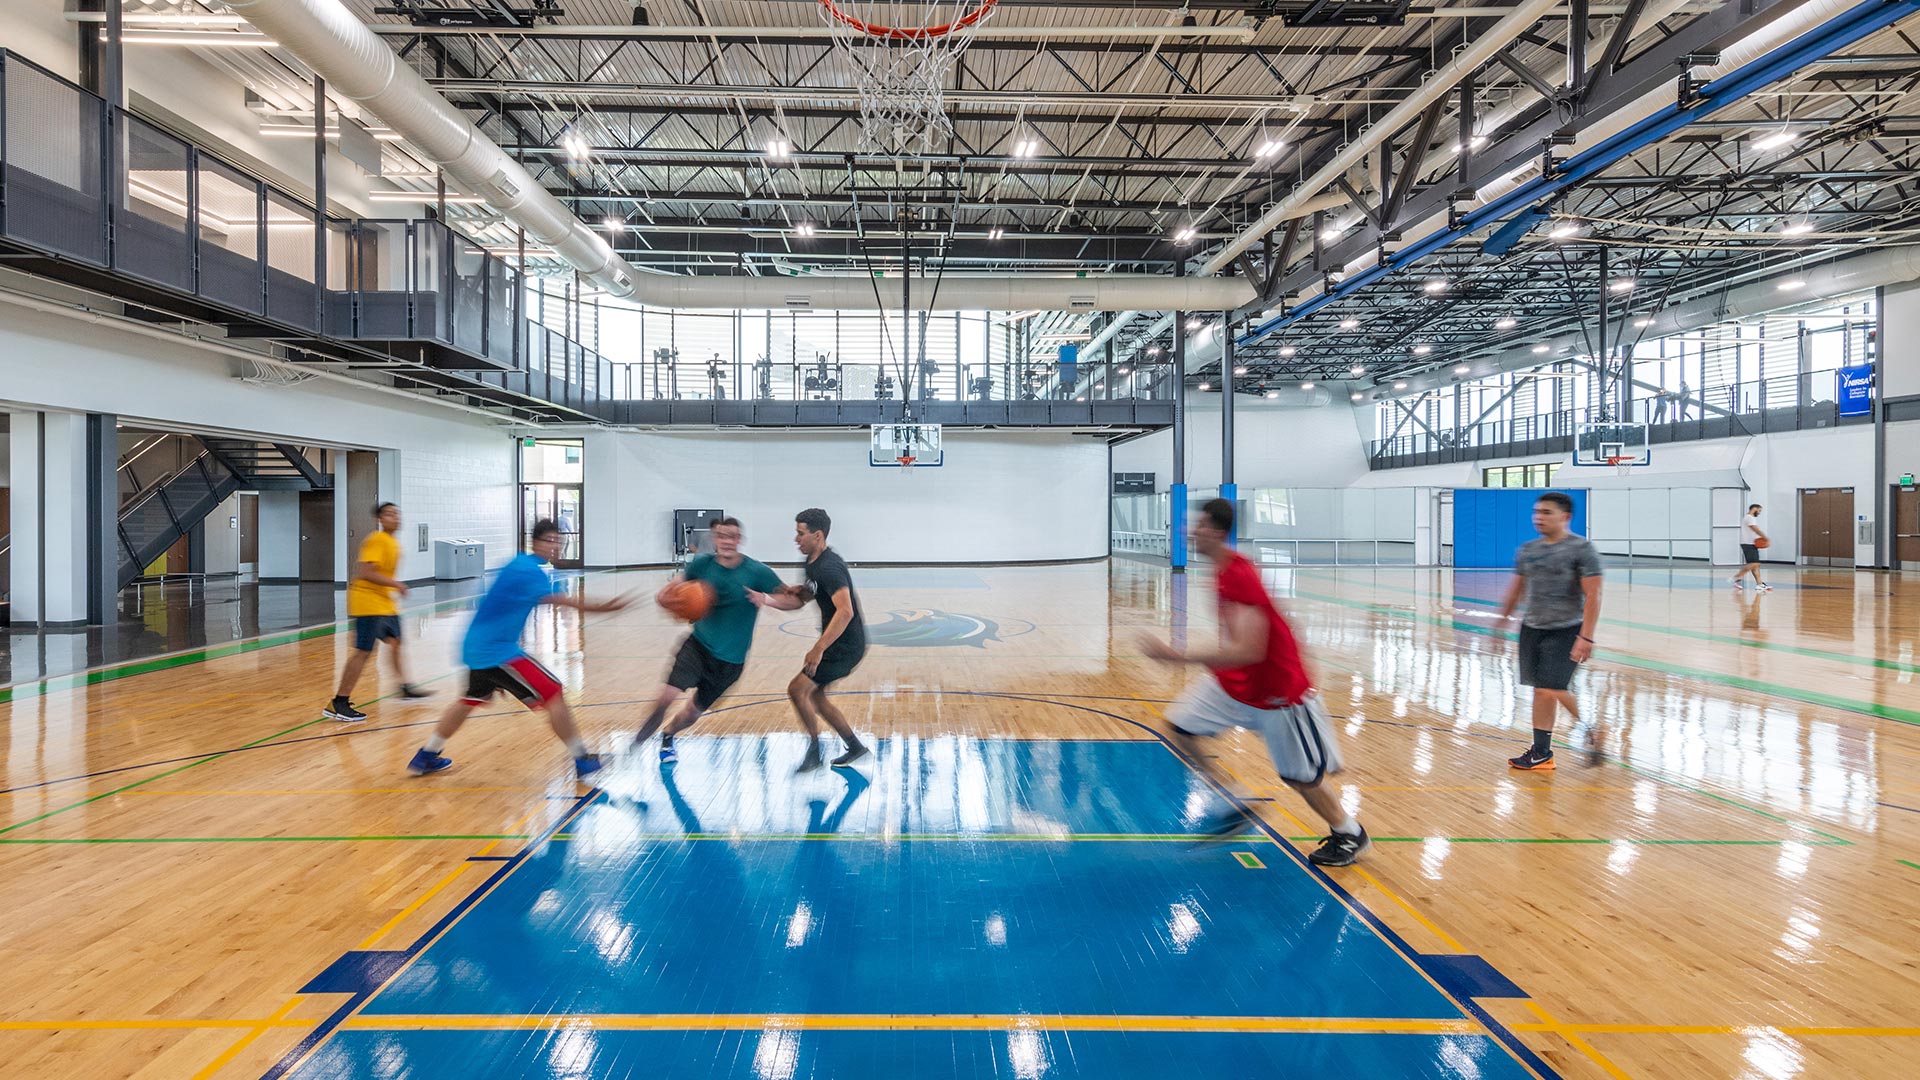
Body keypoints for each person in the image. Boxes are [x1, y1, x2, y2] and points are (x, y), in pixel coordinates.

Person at [1139, 498, 1369, 867]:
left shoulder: (1240, 574)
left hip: (1277, 691)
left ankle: (1349, 832)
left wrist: (1176, 656)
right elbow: (1274, 621)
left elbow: (1250, 650)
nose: (1192, 531)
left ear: (1217, 532)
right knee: (1181, 727)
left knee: (1301, 780)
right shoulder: (1222, 571)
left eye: (1200, 525)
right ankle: (1232, 803)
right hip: (1237, 683)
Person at [405, 518, 629, 779]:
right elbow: (562, 601)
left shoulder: (517, 564)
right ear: (535, 542)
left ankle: (427, 755)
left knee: (470, 700)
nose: (555, 546)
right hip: (496, 652)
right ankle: (582, 759)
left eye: (559, 541)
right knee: (553, 692)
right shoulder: (528, 571)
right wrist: (604, 607)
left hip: (478, 648)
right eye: (550, 541)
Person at [633, 517, 784, 763]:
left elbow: (792, 599)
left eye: (732, 536)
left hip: (730, 662)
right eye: (722, 536)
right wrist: (666, 597)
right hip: (698, 646)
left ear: (739, 540)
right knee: (666, 697)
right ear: (715, 538)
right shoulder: (701, 564)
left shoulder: (756, 572)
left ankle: (668, 734)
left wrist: (767, 599)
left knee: (691, 714)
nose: (727, 541)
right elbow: (671, 590)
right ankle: (633, 748)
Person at [749, 508, 870, 771]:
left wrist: (818, 648)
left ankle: (815, 753)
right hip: (838, 642)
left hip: (844, 645)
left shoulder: (829, 567)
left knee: (798, 690)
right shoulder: (813, 562)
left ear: (818, 535)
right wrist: (772, 598)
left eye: (800, 533)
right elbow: (804, 598)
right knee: (815, 696)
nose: (796, 539)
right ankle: (855, 747)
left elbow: (845, 611)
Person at [1498, 492, 1604, 771]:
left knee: (1551, 686)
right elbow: (1517, 589)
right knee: (1541, 691)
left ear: (1565, 516)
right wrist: (1501, 623)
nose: (1539, 517)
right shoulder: (1528, 550)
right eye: (1537, 512)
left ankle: (1588, 728)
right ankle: (1542, 753)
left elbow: (1594, 595)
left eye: (1546, 512)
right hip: (1532, 629)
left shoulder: (1582, 549)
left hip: (1567, 630)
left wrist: (1586, 636)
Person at [325, 502, 430, 722]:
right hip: (368, 602)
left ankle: (405, 687)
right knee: (363, 651)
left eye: (397, 514)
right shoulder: (376, 540)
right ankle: (339, 702)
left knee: (396, 642)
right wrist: (397, 584)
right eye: (389, 514)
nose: (395, 517)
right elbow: (366, 572)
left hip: (384, 603)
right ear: (379, 519)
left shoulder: (392, 542)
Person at [1732, 503, 1772, 591]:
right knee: (1755, 563)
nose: (1759, 513)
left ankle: (1760, 584)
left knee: (1755, 566)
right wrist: (1766, 538)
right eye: (1759, 510)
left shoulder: (1748, 518)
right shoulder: (1750, 518)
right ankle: (1737, 578)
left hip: (1750, 543)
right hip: (1748, 543)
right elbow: (1756, 530)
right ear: (1754, 509)